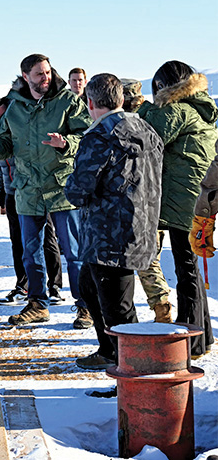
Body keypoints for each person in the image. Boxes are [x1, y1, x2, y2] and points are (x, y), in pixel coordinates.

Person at [0, 53, 92, 327]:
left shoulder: (67, 101)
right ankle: (37, 304)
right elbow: (4, 142)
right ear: (26, 77)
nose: (45, 78)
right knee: (30, 251)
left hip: (61, 188)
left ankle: (86, 306)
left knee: (73, 252)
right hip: (28, 190)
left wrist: (66, 143)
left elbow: (88, 135)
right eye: (38, 74)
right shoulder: (15, 107)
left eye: (47, 72)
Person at [65, 73, 164, 369]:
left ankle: (132, 371)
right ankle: (110, 351)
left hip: (108, 235)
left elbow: (79, 191)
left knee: (119, 310)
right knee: (89, 287)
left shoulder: (99, 136)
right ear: (121, 99)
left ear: (90, 102)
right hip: (141, 226)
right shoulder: (147, 129)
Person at [137, 61, 217, 358]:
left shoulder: (176, 110)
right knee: (190, 270)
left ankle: (190, 341)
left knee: (186, 273)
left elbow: (147, 139)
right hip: (196, 199)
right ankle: (202, 337)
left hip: (182, 202)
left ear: (163, 87)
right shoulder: (198, 106)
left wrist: (142, 109)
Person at [0, 89, 66, 308]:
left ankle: (54, 287)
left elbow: (25, 156)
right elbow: (1, 164)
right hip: (13, 191)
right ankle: (25, 286)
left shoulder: (16, 121)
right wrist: (2, 191)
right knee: (20, 242)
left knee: (46, 239)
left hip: (32, 190)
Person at [122, 78, 173, 323]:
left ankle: (162, 310)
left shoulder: (134, 124)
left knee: (147, 259)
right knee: (150, 258)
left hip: (142, 204)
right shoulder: (155, 115)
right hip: (158, 200)